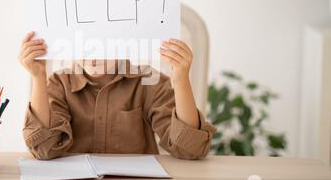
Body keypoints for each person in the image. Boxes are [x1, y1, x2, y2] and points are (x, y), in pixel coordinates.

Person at [19, 31, 216, 160]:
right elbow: (45, 149)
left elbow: (192, 149)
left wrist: (181, 80)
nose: (93, 57)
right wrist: (38, 76)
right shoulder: (59, 84)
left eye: (104, 44)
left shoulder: (149, 81)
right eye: (83, 45)